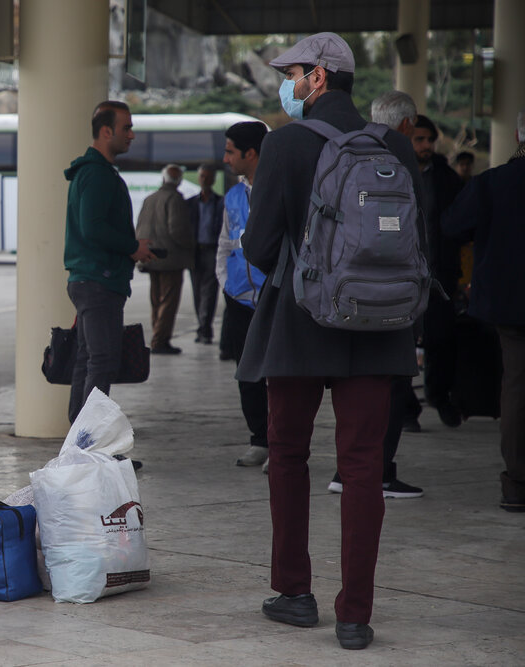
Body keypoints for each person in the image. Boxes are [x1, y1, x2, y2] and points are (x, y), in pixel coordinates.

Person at [237, 33, 426, 650]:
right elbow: (423, 240)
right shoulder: (395, 145)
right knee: (364, 466)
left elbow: (261, 247)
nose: (285, 84)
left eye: (291, 73)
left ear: (318, 78)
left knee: (287, 454)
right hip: (379, 331)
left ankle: (294, 593)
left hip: (299, 325)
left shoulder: (285, 143)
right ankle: (355, 615)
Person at [327, 90, 425, 499]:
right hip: (396, 293)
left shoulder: (340, 148)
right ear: (406, 125)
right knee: (389, 386)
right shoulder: (400, 151)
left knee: (354, 385)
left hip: (346, 290)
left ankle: (344, 470)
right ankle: (378, 472)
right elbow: (422, 229)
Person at [442, 111, 525, 512]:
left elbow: (453, 226)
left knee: (516, 388)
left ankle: (517, 482)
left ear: (516, 134)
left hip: (510, 303)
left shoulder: (493, 183)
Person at [64, 100, 154, 424]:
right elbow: (94, 228)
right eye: (126, 127)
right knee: (100, 362)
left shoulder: (91, 172)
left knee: (88, 359)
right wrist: (132, 247)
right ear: (106, 131)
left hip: (90, 279)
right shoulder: (98, 175)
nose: (131, 135)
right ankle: (89, 446)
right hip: (99, 280)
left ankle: (80, 443)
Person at [215, 121, 269, 468]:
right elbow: (225, 243)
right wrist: (225, 282)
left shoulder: (276, 188)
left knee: (277, 375)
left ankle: (281, 443)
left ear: (251, 153)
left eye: (230, 150)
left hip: (273, 298)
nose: (225, 158)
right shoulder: (234, 195)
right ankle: (260, 440)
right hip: (238, 299)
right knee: (245, 373)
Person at [413, 114, 465, 428]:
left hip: (439, 272)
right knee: (400, 342)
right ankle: (405, 409)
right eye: (419, 139)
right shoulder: (392, 172)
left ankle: (439, 395)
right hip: (400, 273)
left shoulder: (446, 178)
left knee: (441, 339)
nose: (426, 146)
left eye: (429, 140)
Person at [134, 164, 193, 354]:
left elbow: (140, 226)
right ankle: (160, 341)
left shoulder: (149, 199)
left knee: (156, 300)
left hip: (150, 256)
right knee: (168, 301)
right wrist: (192, 244)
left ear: (163, 179)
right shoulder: (175, 199)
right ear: (179, 181)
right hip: (170, 259)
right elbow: (177, 230)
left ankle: (158, 337)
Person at [186, 164, 225, 344]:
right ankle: (202, 327)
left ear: (213, 180)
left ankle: (205, 329)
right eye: (202, 176)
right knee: (197, 292)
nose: (204, 180)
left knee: (209, 292)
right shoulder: (190, 203)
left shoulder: (220, 202)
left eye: (208, 177)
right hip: (195, 252)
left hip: (212, 250)